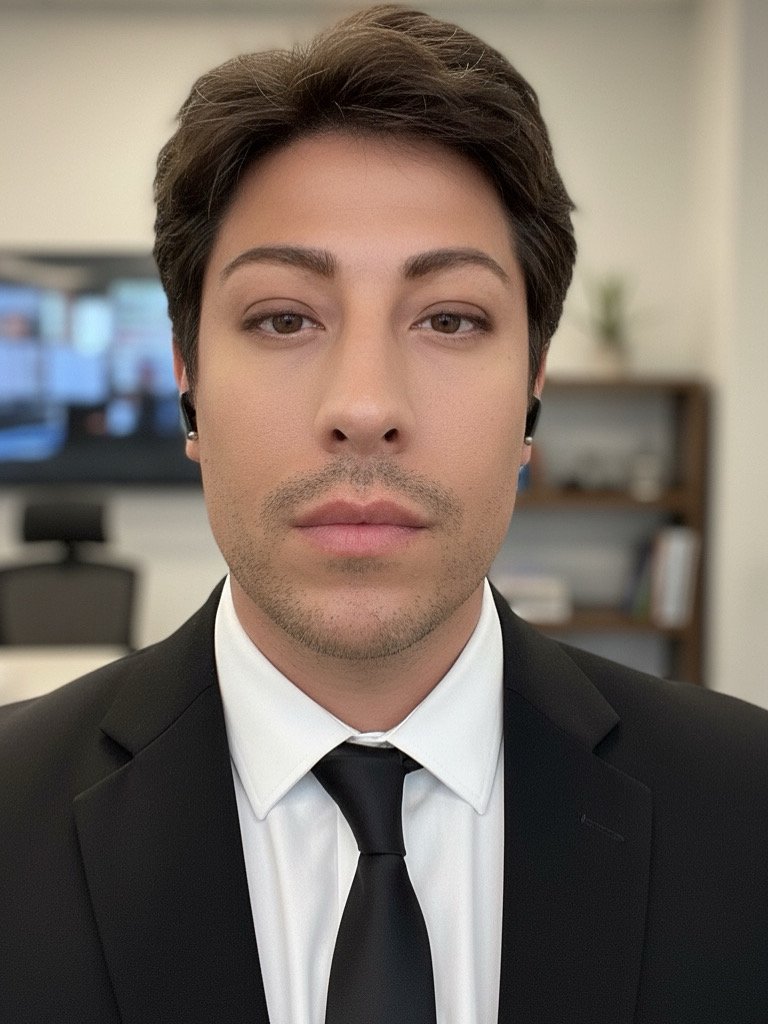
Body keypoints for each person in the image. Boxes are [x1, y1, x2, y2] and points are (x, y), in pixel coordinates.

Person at [1, 6, 767, 1023]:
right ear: (187, 382)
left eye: (449, 318)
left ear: (533, 388)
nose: (365, 407)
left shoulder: (747, 812)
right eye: (283, 317)